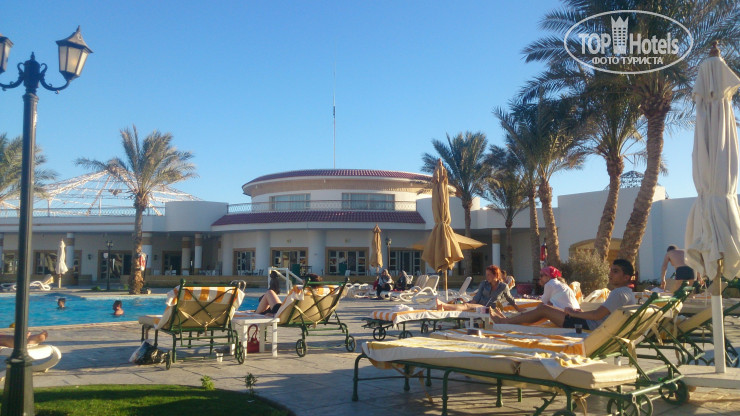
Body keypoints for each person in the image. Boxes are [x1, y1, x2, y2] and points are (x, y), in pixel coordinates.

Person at [493, 259, 637, 331]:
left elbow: (596, 315)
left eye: (615, 271)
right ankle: (507, 320)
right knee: (545, 309)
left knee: (544, 309)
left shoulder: (619, 293)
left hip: (586, 326)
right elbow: (600, 315)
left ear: (626, 277)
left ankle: (506, 322)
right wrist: (577, 312)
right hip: (590, 324)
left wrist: (574, 313)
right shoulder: (627, 294)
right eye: (611, 270)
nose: (610, 274)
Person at [436, 265, 521, 315]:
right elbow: (478, 296)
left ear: (496, 275)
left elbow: (510, 299)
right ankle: (444, 307)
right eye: (486, 274)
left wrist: (518, 309)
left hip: (489, 308)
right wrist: (471, 304)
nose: (486, 277)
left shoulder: (503, 286)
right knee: (461, 302)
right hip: (479, 304)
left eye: (489, 275)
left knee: (466, 306)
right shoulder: (484, 283)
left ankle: (443, 305)